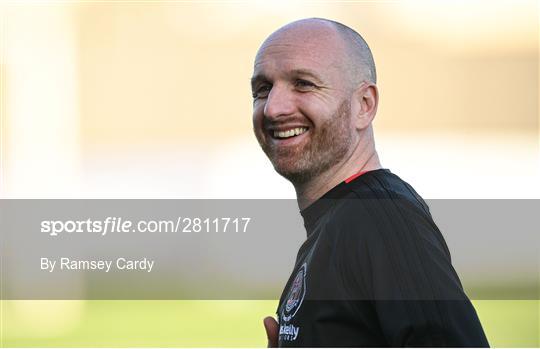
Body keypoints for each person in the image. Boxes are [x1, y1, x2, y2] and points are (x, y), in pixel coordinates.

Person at [251, 18, 489, 347]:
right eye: (263, 89)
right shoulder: (340, 220)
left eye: (304, 84)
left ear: (365, 105)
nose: (273, 109)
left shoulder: (381, 217)